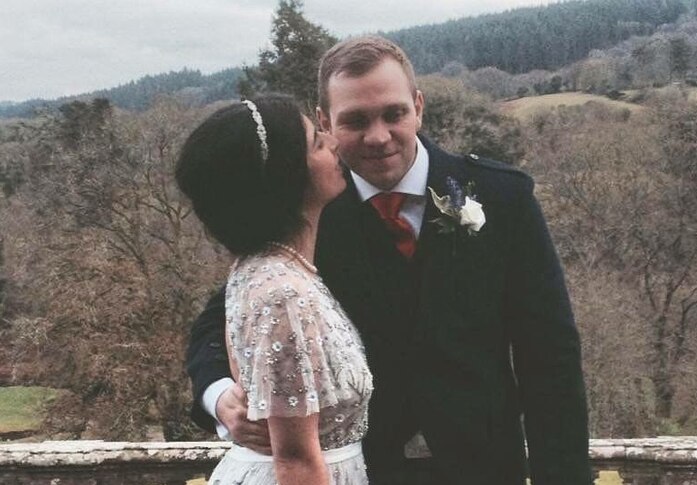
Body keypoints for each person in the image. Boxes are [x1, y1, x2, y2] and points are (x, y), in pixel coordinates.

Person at [187, 36, 592, 485]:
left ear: (418, 106)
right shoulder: (307, 213)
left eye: (394, 114)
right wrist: (220, 395)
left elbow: (549, 356)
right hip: (364, 468)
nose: (378, 137)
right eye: (356, 120)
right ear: (325, 123)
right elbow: (221, 322)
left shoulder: (502, 197)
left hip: (484, 467)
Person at [176, 94, 373, 485]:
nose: (333, 142)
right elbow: (296, 461)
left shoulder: (264, 268)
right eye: (317, 141)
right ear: (289, 177)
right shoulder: (282, 293)